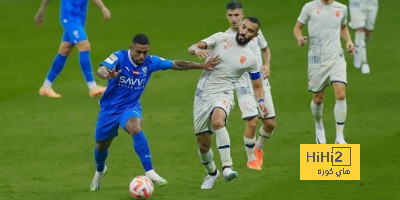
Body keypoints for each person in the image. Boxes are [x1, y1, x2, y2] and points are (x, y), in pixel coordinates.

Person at [89, 33, 220, 191]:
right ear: (131, 48)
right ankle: (100, 170)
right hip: (109, 109)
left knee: (135, 127)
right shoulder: (120, 56)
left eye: (145, 52)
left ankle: (149, 171)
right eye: (138, 52)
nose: (142, 56)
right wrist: (106, 74)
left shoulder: (150, 63)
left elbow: (176, 64)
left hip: (130, 107)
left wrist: (200, 66)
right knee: (102, 145)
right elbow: (101, 69)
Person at [188, 17, 268, 189]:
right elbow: (193, 47)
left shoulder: (251, 59)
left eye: (249, 31)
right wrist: (196, 49)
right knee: (203, 146)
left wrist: (260, 101)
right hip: (202, 94)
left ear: (255, 35)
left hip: (224, 92)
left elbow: (257, 84)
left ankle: (227, 167)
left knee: (218, 121)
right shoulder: (221, 37)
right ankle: (212, 173)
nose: (244, 32)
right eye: (244, 27)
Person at [293, 0, 355, 144]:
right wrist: (299, 38)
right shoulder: (309, 7)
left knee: (340, 94)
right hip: (317, 59)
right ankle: (319, 124)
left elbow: (343, 27)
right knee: (318, 98)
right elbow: (297, 27)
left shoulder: (342, 8)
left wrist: (349, 41)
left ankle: (340, 136)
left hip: (336, 57)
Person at [224, 1, 276, 171]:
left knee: (270, 124)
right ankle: (251, 159)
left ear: (242, 14)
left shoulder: (254, 30)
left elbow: (266, 49)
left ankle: (258, 148)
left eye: (237, 15)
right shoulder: (226, 38)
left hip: (261, 82)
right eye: (230, 15)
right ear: (227, 16)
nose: (234, 19)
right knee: (252, 123)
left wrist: (267, 65)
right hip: (243, 85)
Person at [34, 0, 111, 98]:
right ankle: (92, 86)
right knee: (84, 46)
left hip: (79, 20)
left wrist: (103, 8)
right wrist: (40, 12)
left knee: (64, 50)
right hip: (70, 18)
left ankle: (46, 86)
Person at [349, 0, 378, 74]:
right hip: (356, 3)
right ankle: (364, 62)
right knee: (360, 30)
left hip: (371, 3)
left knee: (368, 32)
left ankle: (358, 48)